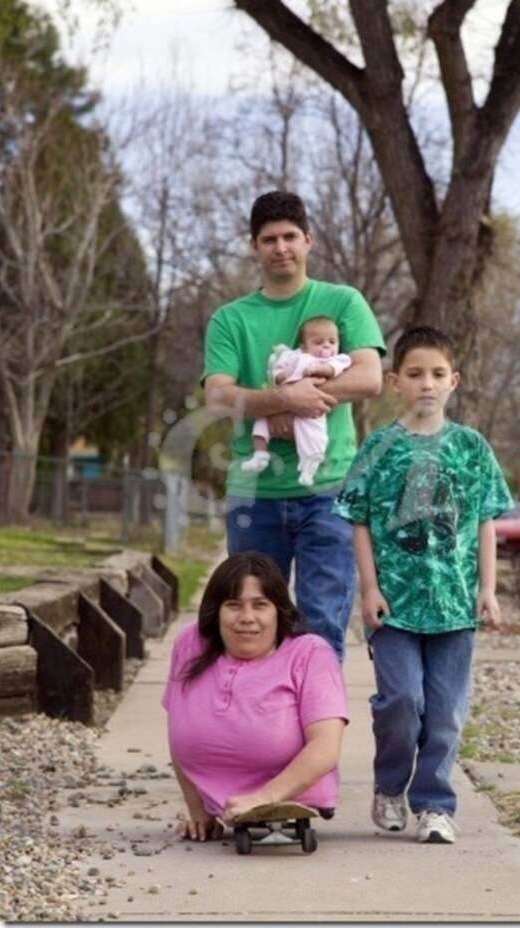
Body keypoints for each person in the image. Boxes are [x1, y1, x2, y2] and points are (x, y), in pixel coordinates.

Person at [333, 325, 513, 844]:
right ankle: (389, 786)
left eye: (437, 374)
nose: (427, 384)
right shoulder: (379, 448)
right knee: (401, 703)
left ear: (453, 381)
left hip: (455, 606)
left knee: (446, 714)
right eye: (415, 374)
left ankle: (434, 804)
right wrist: (369, 589)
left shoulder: (471, 448)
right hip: (396, 607)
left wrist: (488, 587)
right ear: (395, 382)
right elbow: (359, 519)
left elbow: (484, 521)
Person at [203, 190, 385, 660]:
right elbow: (218, 396)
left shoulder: (343, 302)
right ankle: (262, 729)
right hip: (255, 495)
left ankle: (319, 731)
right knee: (252, 626)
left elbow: (369, 377)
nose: (280, 247)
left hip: (328, 492)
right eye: (269, 239)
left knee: (322, 623)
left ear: (308, 240)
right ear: (254, 246)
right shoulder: (230, 319)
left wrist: (301, 403)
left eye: (289, 236)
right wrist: (282, 398)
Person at [162, 552, 348, 841]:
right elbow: (178, 730)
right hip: (222, 808)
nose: (247, 618)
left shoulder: (310, 653)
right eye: (233, 605)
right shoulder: (191, 643)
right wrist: (198, 812)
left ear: (278, 610)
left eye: (260, 605)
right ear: (216, 611)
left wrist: (264, 798)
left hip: (291, 799)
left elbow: (325, 747)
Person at [242, 315, 352, 487]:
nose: (326, 346)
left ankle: (309, 468)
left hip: (308, 408)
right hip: (281, 405)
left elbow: (336, 368)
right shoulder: (292, 356)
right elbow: (276, 372)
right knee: (261, 421)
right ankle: (260, 454)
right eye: (318, 342)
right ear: (304, 346)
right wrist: (280, 376)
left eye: (332, 341)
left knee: (313, 435)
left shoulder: (334, 359)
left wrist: (321, 368)